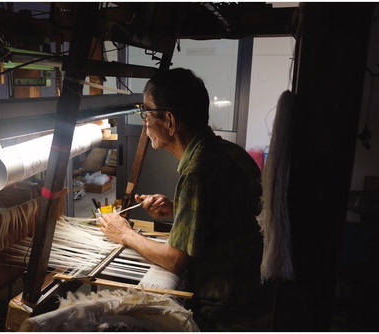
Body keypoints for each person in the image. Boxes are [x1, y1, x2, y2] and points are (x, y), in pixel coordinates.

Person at [98, 68, 273, 331]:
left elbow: (175, 261)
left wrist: (124, 234)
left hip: (226, 311)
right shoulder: (231, 153)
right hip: (257, 298)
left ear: (169, 120)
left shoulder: (197, 172)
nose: (144, 123)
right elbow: (231, 217)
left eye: (146, 113)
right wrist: (178, 209)